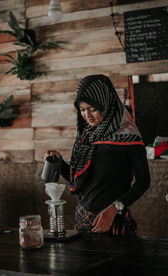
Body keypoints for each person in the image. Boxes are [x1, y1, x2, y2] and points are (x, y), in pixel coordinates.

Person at [44, 74, 150, 236]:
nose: (87, 115)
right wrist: (59, 162)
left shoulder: (129, 136)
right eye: (82, 110)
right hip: (82, 220)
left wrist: (116, 207)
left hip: (113, 223)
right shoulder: (87, 136)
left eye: (92, 109)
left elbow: (144, 181)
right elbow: (79, 180)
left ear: (106, 104)